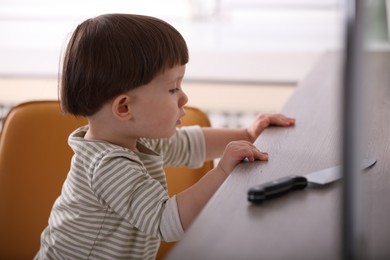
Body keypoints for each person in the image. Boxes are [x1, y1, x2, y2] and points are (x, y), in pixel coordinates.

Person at [35, 13, 295, 259]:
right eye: (172, 88)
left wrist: (249, 134)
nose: (184, 97)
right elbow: (166, 221)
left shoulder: (134, 138)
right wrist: (222, 172)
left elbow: (191, 144)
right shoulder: (107, 165)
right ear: (124, 107)